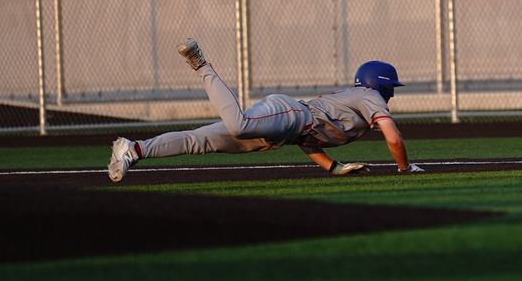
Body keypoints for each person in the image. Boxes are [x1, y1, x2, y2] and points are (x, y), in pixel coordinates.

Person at [106, 39, 425, 182]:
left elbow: (308, 141)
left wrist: (334, 168)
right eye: (391, 87)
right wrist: (404, 168)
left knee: (199, 140)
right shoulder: (370, 96)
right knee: (238, 124)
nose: (391, 94)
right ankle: (201, 64)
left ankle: (133, 149)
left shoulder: (356, 105)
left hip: (285, 132)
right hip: (291, 115)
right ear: (380, 84)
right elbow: (393, 138)